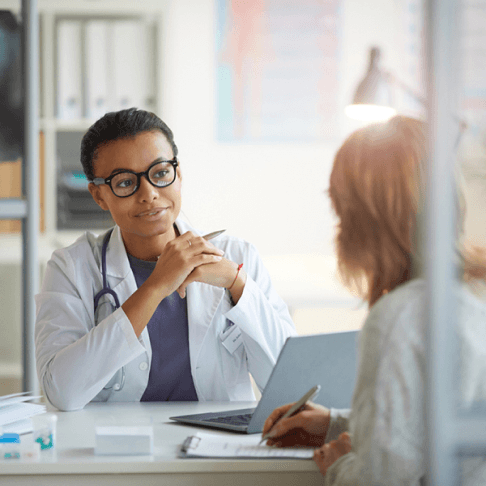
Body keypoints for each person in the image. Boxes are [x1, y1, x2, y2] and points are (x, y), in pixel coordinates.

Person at [261, 116, 486, 484]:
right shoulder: (473, 294)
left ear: (358, 218)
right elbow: (435, 423)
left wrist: (339, 462)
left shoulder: (401, 318)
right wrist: (335, 424)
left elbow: (382, 477)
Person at [35, 108, 296, 411]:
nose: (148, 194)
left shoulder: (237, 258)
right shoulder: (72, 268)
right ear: (99, 196)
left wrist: (237, 284)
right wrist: (155, 286)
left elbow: (291, 386)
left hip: (219, 451)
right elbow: (62, 393)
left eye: (160, 173)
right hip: (116, 452)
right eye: (124, 182)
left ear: (178, 173)